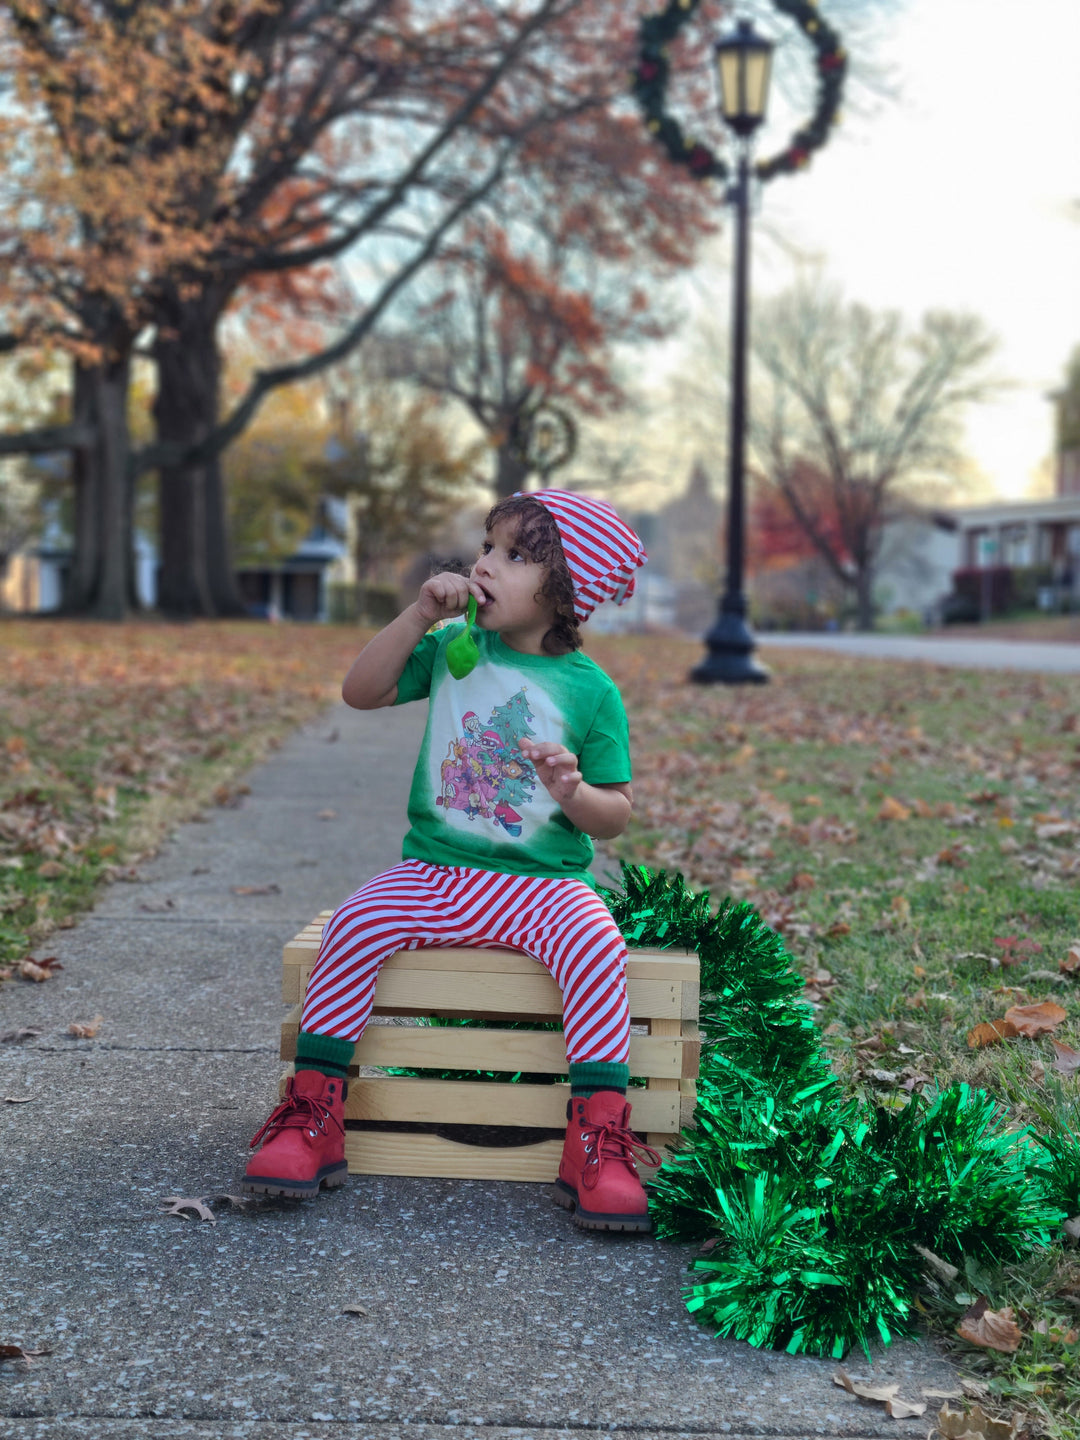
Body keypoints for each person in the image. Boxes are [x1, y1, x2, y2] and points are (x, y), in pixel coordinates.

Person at [242, 490, 659, 1231]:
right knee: (358, 922)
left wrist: (573, 791)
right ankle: (314, 1113)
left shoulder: (593, 693)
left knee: (599, 946)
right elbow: (359, 691)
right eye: (488, 547)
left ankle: (596, 1136)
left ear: (569, 590)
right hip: (436, 871)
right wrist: (417, 617)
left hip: (544, 885)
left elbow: (617, 814)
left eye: (517, 555)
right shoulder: (451, 649)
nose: (486, 564)